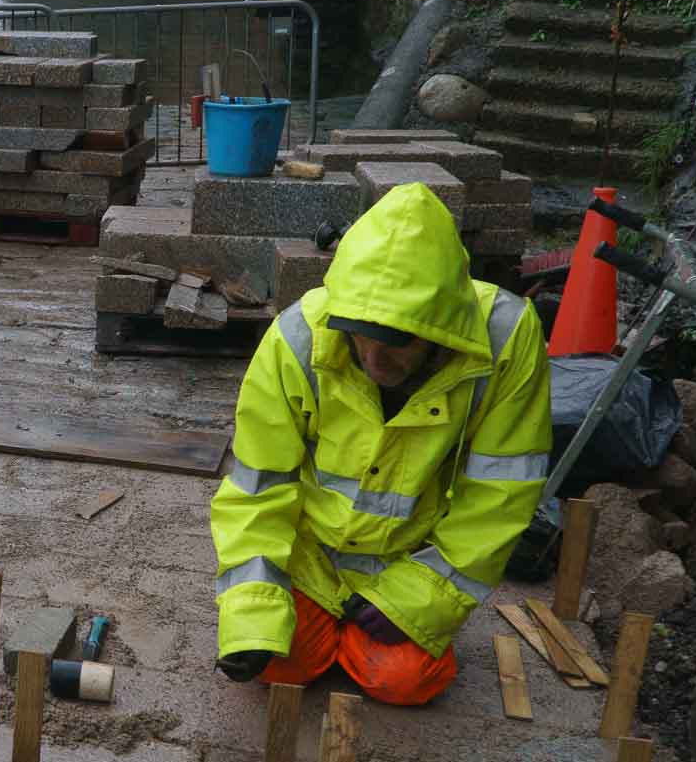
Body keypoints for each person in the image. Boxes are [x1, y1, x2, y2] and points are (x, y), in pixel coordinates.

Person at [210, 183, 552, 705]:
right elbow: (258, 487)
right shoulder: (298, 336)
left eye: (396, 342)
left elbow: (500, 498)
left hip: (408, 559)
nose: (373, 359)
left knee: (405, 680)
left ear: (443, 331)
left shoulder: (506, 340)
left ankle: (363, 633)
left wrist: (417, 599)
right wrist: (253, 613)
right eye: (359, 334)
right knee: (279, 664)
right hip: (311, 562)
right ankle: (327, 636)